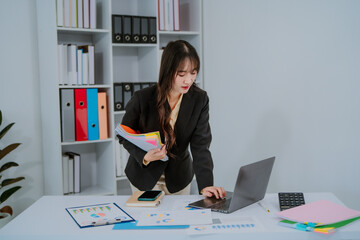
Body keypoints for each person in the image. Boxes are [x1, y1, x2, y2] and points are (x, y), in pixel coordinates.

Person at [118, 40, 225, 199]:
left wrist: (206, 184)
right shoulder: (142, 98)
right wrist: (144, 156)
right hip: (144, 176)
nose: (188, 80)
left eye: (193, 73)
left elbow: (201, 145)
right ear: (168, 71)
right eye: (181, 74)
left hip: (178, 178)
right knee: (149, 222)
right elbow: (123, 134)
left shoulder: (199, 99)